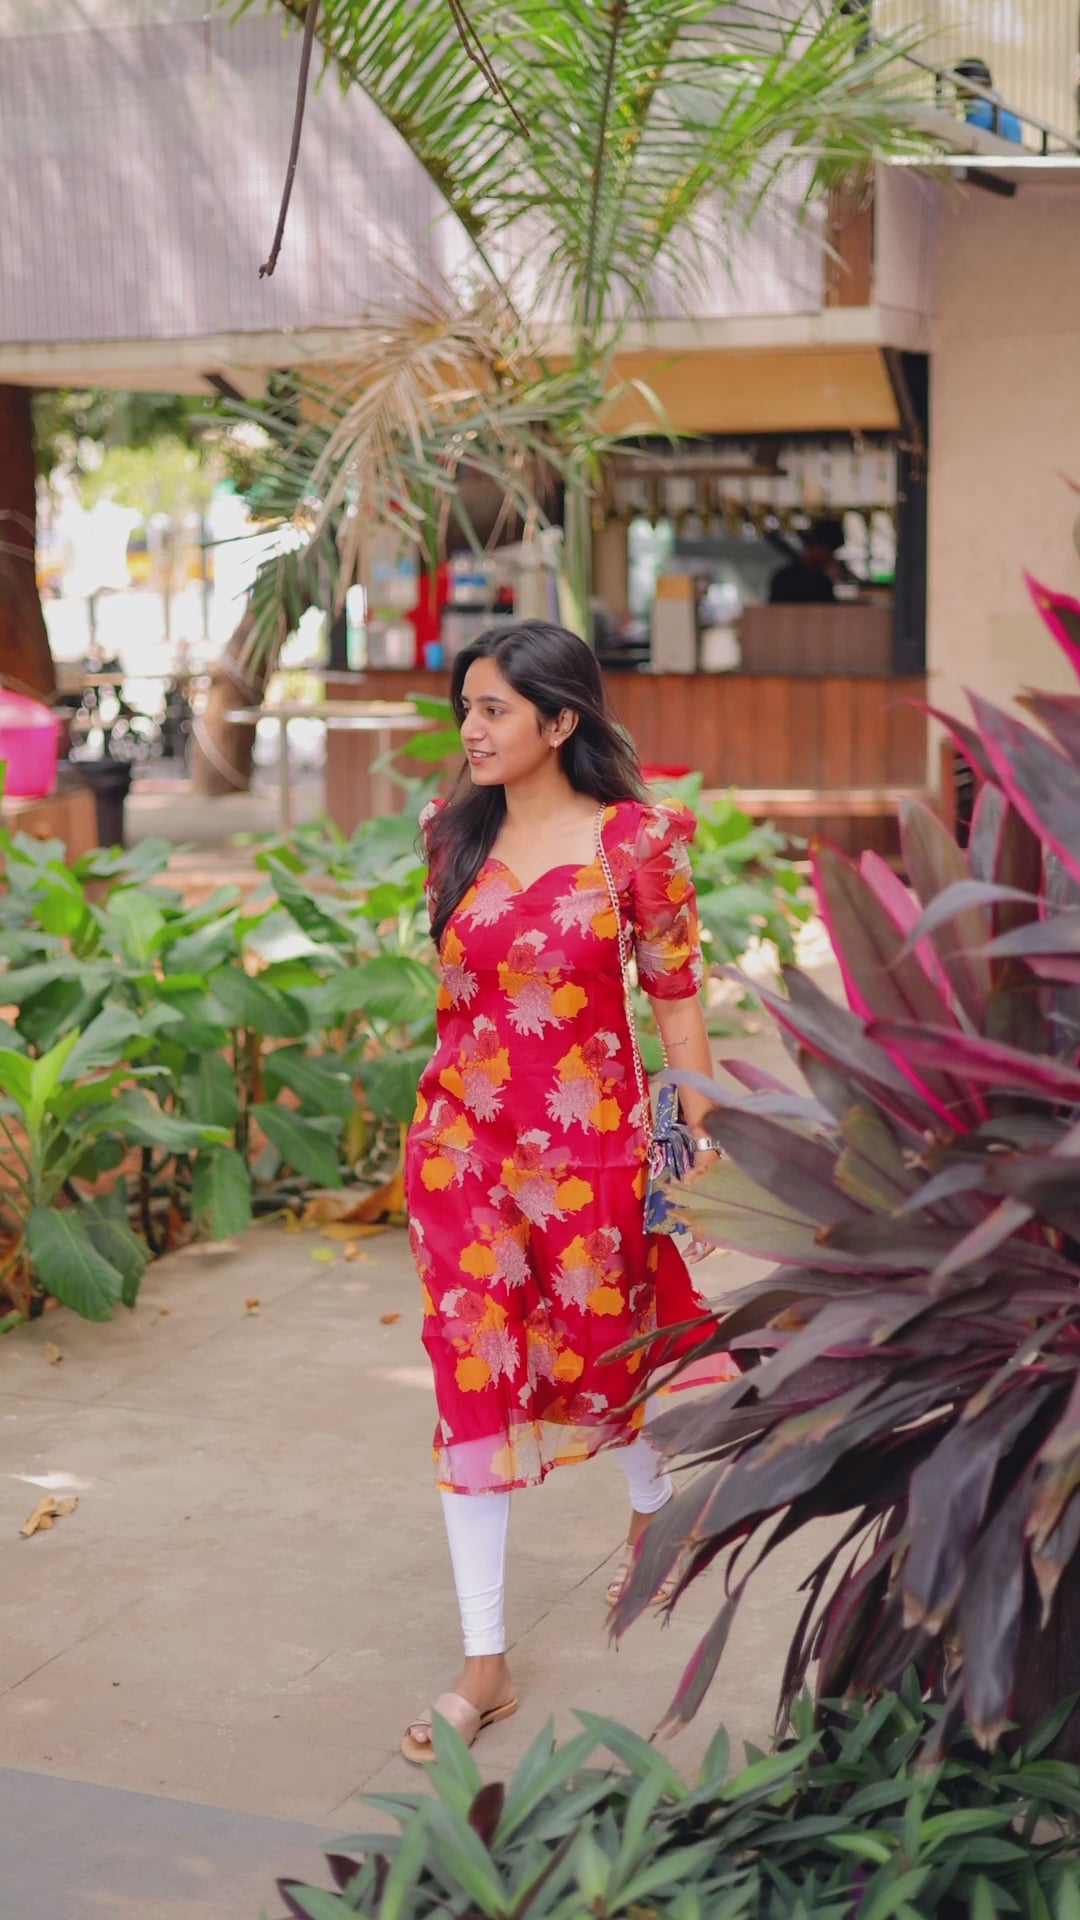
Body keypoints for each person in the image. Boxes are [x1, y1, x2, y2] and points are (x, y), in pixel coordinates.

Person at [401, 619, 735, 1764]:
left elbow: (676, 1000)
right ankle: (483, 1661)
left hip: (593, 1155)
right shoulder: (448, 834)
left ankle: (654, 1505)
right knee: (474, 1373)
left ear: (560, 721)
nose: (471, 729)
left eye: (493, 708)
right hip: (461, 1154)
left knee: (606, 1354)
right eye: (466, 708)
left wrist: (687, 1140)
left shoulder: (636, 842)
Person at [767, 516, 846, 605]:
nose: (831, 557)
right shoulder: (820, 581)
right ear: (817, 547)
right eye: (830, 551)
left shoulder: (782, 576)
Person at [953, 57, 1023, 145]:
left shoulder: (980, 110)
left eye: (958, 88)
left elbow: (967, 143)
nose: (956, 95)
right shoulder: (1003, 107)